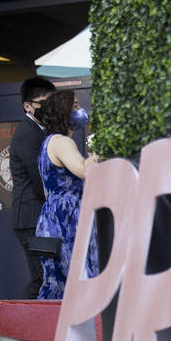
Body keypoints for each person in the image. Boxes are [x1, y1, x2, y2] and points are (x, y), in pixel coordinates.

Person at [33, 90, 101, 299]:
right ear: (63, 113)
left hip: (52, 217)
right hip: (68, 218)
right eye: (74, 106)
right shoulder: (62, 142)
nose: (80, 111)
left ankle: (50, 329)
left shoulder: (47, 143)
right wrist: (100, 147)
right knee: (77, 276)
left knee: (57, 282)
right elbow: (84, 170)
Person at [9, 76, 57, 300]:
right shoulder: (27, 134)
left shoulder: (40, 131)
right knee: (42, 279)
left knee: (46, 277)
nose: (49, 108)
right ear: (28, 106)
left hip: (35, 217)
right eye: (43, 103)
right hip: (30, 218)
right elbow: (39, 178)